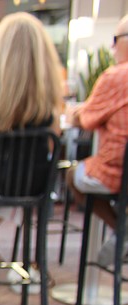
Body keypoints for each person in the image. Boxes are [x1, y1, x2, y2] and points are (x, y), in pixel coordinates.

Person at [0, 12, 64, 267]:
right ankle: (0, 246)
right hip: (30, 188)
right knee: (20, 191)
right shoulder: (48, 103)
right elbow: (54, 146)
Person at [66, 13, 128, 267]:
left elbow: (85, 119)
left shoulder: (116, 76)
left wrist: (76, 113)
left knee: (73, 177)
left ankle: (120, 229)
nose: (112, 47)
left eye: (115, 39)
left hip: (116, 171)